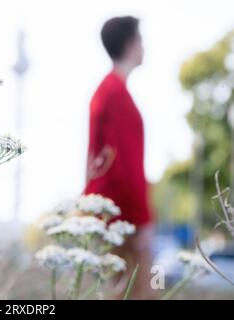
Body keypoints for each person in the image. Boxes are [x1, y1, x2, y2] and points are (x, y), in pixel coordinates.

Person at [83, 16, 156, 299]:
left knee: (121, 290)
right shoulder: (115, 95)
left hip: (112, 215)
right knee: (135, 292)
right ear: (130, 44)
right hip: (123, 219)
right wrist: (143, 221)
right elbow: (124, 168)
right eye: (141, 40)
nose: (145, 48)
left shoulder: (108, 91)